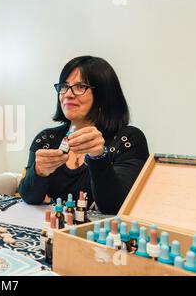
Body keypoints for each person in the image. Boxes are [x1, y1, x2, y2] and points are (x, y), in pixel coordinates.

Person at [18, 56, 149, 215]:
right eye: (64, 86)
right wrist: (39, 171)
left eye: (80, 86)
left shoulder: (128, 139)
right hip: (50, 230)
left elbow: (115, 206)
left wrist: (98, 157)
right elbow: (30, 198)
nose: (68, 94)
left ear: (104, 94)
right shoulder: (47, 139)